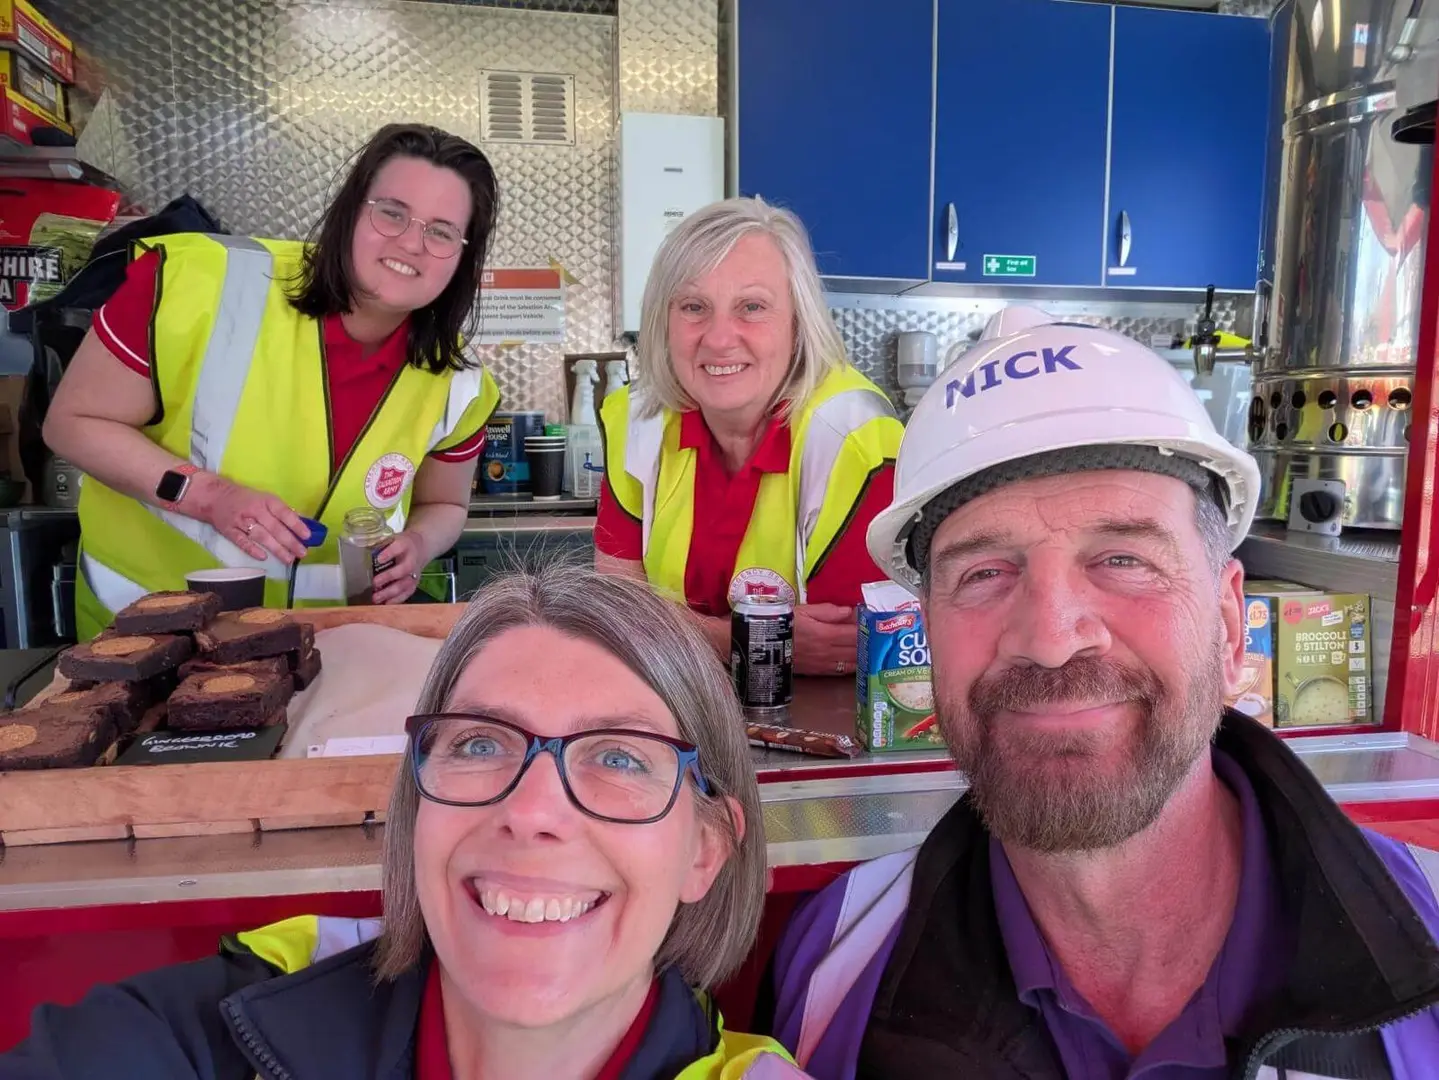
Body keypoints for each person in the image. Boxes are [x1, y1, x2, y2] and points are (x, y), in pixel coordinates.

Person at [767, 314, 1439, 1077]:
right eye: (981, 573)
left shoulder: (1426, 939)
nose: (1050, 638)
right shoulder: (834, 964)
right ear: (927, 630)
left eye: (1122, 558)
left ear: (1226, 623)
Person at [1, 565, 811, 1080]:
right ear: (413, 807)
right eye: (482, 743)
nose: (531, 813)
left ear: (705, 848)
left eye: (623, 757)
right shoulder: (228, 1026)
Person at [45, 123, 503, 640]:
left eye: (441, 231)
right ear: (351, 210)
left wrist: (418, 543)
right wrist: (210, 497)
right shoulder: (197, 283)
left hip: (338, 644)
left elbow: (445, 504)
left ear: (464, 256)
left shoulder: (457, 379)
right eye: (392, 212)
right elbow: (72, 423)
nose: (411, 242)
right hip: (153, 637)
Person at [595, 197, 903, 676]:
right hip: (674, 705)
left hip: (820, 732)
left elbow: (855, 650)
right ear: (663, 321)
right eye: (694, 307)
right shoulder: (636, 421)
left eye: (752, 307)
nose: (719, 339)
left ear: (799, 324)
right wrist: (734, 636)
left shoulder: (855, 440)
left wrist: (668, 627)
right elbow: (612, 612)